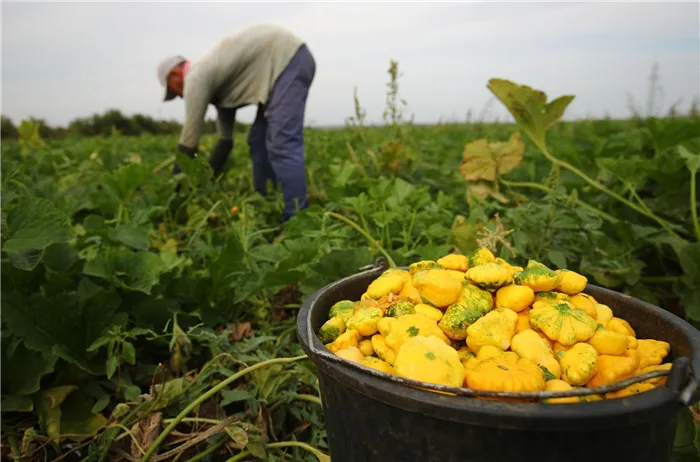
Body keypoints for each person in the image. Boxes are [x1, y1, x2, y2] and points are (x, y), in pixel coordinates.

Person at [156, 24, 316, 222]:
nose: (179, 96)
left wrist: (177, 199)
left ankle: (297, 220)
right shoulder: (217, 83)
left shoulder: (196, 78)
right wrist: (206, 183)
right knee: (258, 141)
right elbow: (225, 142)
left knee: (282, 143)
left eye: (173, 91)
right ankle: (266, 200)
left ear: (174, 76)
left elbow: (188, 144)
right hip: (280, 65)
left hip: (287, 59)